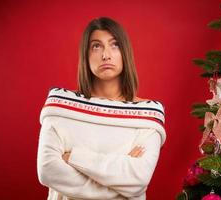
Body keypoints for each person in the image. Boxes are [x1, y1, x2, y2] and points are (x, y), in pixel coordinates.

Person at [37, 17, 166, 200]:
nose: (106, 55)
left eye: (114, 45)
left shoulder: (147, 117)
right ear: (86, 55)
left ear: (125, 52)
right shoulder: (61, 109)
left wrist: (74, 157)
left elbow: (138, 179)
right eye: (96, 46)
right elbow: (48, 171)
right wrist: (120, 184)